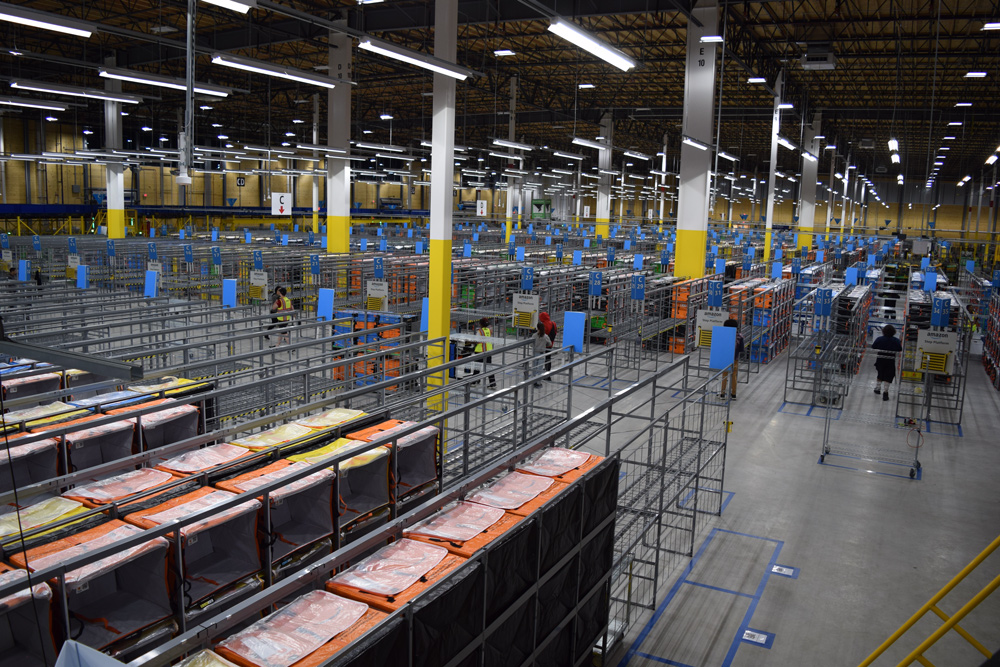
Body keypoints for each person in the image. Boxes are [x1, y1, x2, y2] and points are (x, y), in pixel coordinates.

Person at [872, 324, 902, 401]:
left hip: (880, 359)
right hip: (890, 360)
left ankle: (878, 388)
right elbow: (899, 349)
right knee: (888, 376)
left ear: (883, 331)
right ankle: (885, 392)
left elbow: (873, 346)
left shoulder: (879, 339)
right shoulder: (896, 340)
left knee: (880, 373)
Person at [719, 318, 744, 401]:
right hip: (735, 359)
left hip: (725, 358)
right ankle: (733, 394)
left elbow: (720, 347)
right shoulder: (740, 337)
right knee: (734, 376)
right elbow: (741, 349)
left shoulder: (723, 336)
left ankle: (722, 394)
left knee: (724, 376)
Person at [474, 317, 497, 389]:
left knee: (477, 366)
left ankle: (474, 381)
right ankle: (493, 383)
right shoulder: (489, 330)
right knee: (489, 368)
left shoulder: (480, 331)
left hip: (481, 351)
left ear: (480, 324)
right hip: (488, 351)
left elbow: (476, 341)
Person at [532, 321, 552, 387]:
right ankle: (538, 383)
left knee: (534, 368)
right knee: (539, 369)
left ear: (537, 328)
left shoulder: (534, 335)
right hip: (542, 354)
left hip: (535, 353)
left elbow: (530, 344)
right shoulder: (545, 336)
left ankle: (533, 381)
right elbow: (550, 344)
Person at [539, 311, 558, 376]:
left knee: (540, 357)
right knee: (548, 357)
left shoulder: (543, 325)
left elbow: (541, 335)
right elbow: (555, 332)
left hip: (542, 344)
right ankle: (547, 371)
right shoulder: (553, 323)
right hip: (550, 343)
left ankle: (540, 372)